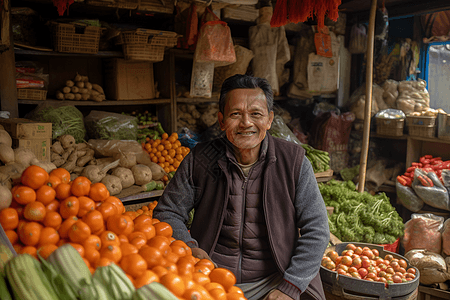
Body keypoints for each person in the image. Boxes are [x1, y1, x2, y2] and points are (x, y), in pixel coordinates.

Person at [153, 74, 330, 300]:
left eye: (256, 114)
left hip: (275, 279)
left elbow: (317, 229)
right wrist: (189, 247)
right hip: (210, 279)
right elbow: (167, 212)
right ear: (221, 120)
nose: (246, 123)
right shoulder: (200, 160)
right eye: (236, 114)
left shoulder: (293, 161)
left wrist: (290, 287)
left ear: (269, 120)